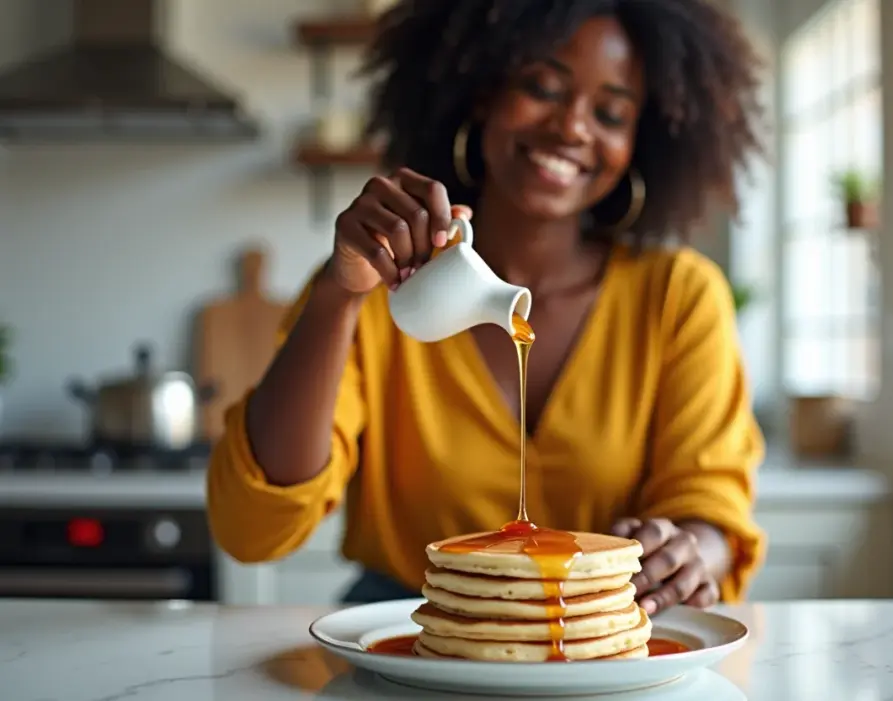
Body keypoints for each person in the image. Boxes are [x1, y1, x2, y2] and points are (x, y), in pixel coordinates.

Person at [207, 0, 767, 615]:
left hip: (608, 631)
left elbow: (710, 510)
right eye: (541, 87)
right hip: (412, 631)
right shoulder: (374, 285)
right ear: (481, 95)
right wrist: (339, 295)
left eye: (610, 113)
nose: (573, 127)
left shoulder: (679, 297)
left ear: (641, 143)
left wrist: (686, 555)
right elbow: (253, 527)